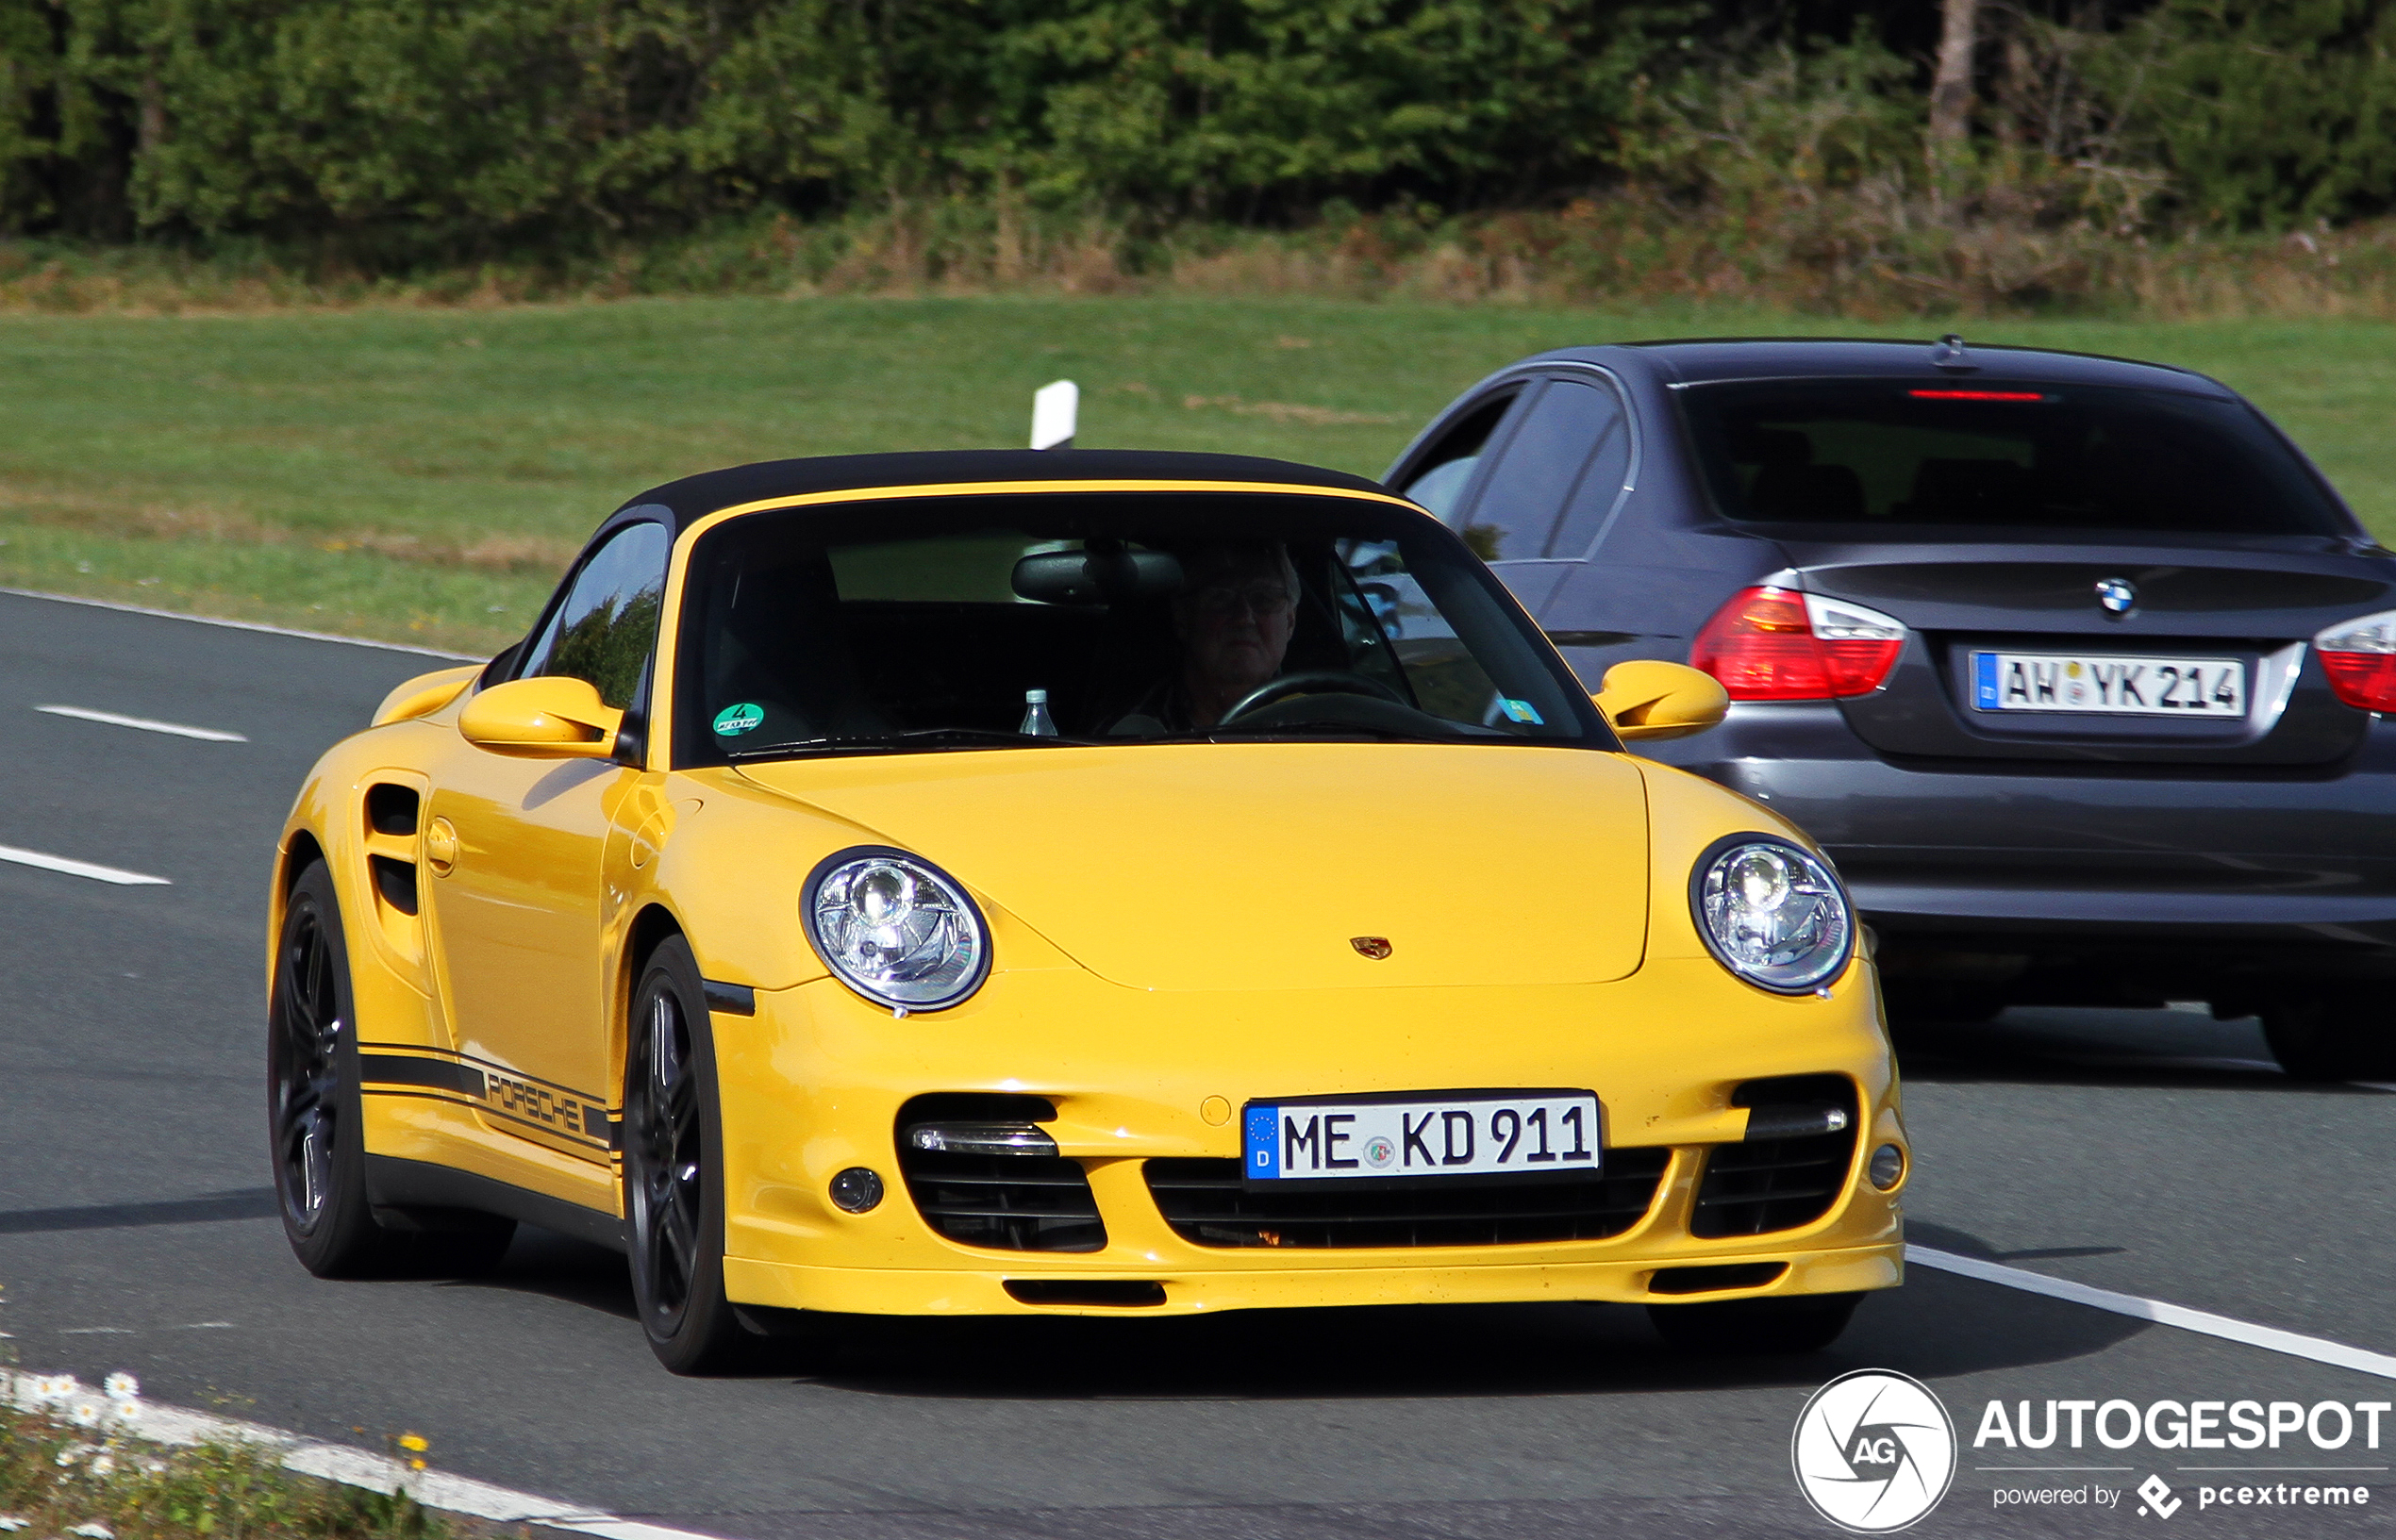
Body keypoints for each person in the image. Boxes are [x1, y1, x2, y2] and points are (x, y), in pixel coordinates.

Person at [1106, 541, 1301, 733]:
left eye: (1264, 599)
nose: (1244, 618)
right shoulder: (1132, 734)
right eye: (1221, 598)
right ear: (1182, 618)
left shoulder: (1318, 720)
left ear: (1290, 622)